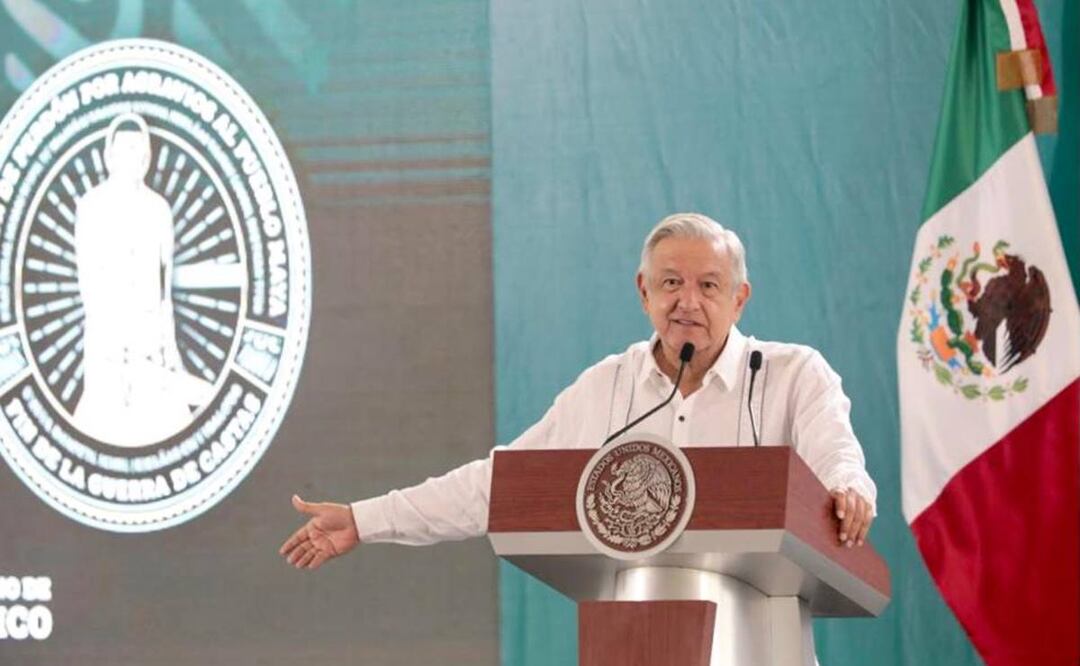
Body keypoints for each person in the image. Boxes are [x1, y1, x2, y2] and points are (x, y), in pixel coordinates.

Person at [280, 213, 876, 570]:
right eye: (670, 283)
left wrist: (849, 490)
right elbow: (499, 486)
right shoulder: (607, 389)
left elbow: (838, 463)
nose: (687, 302)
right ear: (643, 291)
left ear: (740, 298)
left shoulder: (794, 375)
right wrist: (365, 520)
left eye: (708, 285)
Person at [74, 112, 213, 447]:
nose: (132, 157)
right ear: (110, 156)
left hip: (150, 331)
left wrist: (164, 333)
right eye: (125, 149)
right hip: (107, 329)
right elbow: (88, 276)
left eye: (139, 150)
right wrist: (108, 328)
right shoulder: (92, 205)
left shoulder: (158, 208)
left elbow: (163, 281)